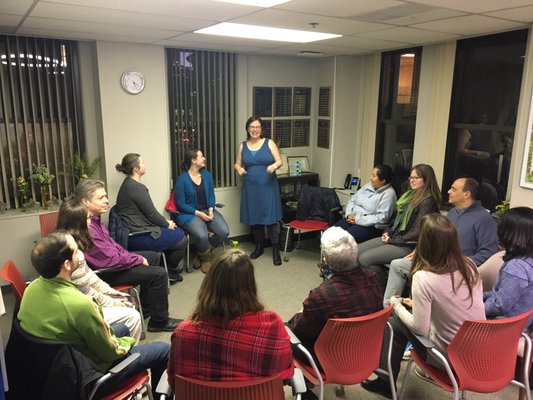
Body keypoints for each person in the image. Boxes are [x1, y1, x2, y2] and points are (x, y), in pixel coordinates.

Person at [18, 231, 170, 397]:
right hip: (89, 378)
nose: (81, 255)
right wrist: (127, 342)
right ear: (67, 265)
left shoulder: (30, 289)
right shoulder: (80, 304)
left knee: (123, 329)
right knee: (164, 350)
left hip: (52, 369)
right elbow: (111, 352)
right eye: (76, 252)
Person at [361, 213, 485, 398]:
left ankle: (385, 383)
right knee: (404, 314)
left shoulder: (423, 277)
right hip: (480, 353)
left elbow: (419, 328)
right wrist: (415, 304)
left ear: (424, 243)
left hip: (448, 358)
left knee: (393, 323)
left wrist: (396, 305)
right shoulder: (469, 265)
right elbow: (452, 302)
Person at [168, 249, 293, 390]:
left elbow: (174, 382)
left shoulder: (184, 333)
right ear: (250, 286)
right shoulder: (272, 326)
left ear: (209, 284)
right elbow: (285, 373)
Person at [74, 179, 181, 333]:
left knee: (154, 257)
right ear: (85, 202)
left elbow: (113, 246)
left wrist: (131, 256)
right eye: (100, 198)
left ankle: (146, 308)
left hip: (113, 262)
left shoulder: (94, 219)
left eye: (105, 196)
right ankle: (159, 321)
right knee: (159, 274)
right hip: (108, 272)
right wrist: (136, 259)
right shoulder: (87, 227)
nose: (106, 201)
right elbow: (110, 260)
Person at [383, 177, 498, 306]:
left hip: (457, 269)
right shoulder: (453, 212)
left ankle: (415, 312)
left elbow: (488, 252)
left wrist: (459, 263)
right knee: (397, 265)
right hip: (438, 262)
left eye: (453, 189)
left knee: (420, 275)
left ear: (466, 194)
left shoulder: (484, 219)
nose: (448, 191)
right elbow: (437, 238)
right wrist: (419, 250)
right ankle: (388, 309)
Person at [287, 227, 382, 369]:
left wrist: (301, 313)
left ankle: (303, 385)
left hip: (331, 361)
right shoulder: (373, 278)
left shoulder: (321, 295)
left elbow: (301, 332)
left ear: (326, 260)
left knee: (284, 332)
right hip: (364, 353)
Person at [57, 200, 142, 342]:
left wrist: (111, 291)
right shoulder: (70, 254)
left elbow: (90, 277)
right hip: (80, 309)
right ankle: (127, 356)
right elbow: (86, 292)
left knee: (128, 300)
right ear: (79, 223)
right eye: (88, 218)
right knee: (132, 314)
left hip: (86, 299)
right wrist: (112, 302)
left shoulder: (73, 242)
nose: (91, 221)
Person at [357, 163, 441, 285]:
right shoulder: (408, 197)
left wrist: (392, 239)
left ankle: (384, 285)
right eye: (410, 177)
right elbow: (394, 220)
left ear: (426, 180)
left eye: (416, 178)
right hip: (394, 238)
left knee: (365, 259)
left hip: (408, 245)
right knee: (357, 252)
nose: (412, 180)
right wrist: (387, 232)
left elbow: (417, 232)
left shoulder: (428, 202)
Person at [115, 153, 187, 283]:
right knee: (181, 237)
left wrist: (165, 223)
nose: (145, 164)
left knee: (175, 233)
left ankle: (164, 267)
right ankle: (170, 271)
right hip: (137, 235)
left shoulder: (128, 184)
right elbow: (152, 214)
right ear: (135, 169)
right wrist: (167, 224)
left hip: (133, 231)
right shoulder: (136, 188)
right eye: (142, 162)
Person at [234, 115, 284, 266]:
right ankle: (259, 246)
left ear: (261, 129)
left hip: (268, 186)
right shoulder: (243, 146)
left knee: (271, 219)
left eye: (257, 127)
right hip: (251, 187)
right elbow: (237, 163)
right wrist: (239, 169)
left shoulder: (269, 143)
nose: (255, 130)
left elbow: (279, 160)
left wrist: (274, 166)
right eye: (252, 127)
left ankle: (276, 250)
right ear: (247, 129)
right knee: (255, 217)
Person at [175, 148, 229, 274]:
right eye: (201, 156)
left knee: (224, 231)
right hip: (190, 214)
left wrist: (210, 209)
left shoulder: (207, 175)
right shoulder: (182, 179)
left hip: (207, 209)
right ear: (193, 161)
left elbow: (211, 195)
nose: (204, 158)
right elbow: (180, 204)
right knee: (202, 235)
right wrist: (198, 213)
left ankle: (203, 253)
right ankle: (206, 259)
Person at [484, 207, 533, 332]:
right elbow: (501, 294)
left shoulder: (516, 268)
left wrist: (475, 308)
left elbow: (499, 306)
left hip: (504, 331)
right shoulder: (528, 261)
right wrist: (479, 296)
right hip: (521, 328)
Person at [334, 164, 397, 243]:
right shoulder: (368, 186)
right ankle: (327, 255)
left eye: (374, 176)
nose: (371, 178)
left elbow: (381, 218)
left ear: (383, 181)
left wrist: (357, 220)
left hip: (368, 226)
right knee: (330, 234)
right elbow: (352, 200)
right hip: (351, 219)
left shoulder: (389, 194)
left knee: (343, 239)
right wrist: (349, 214)